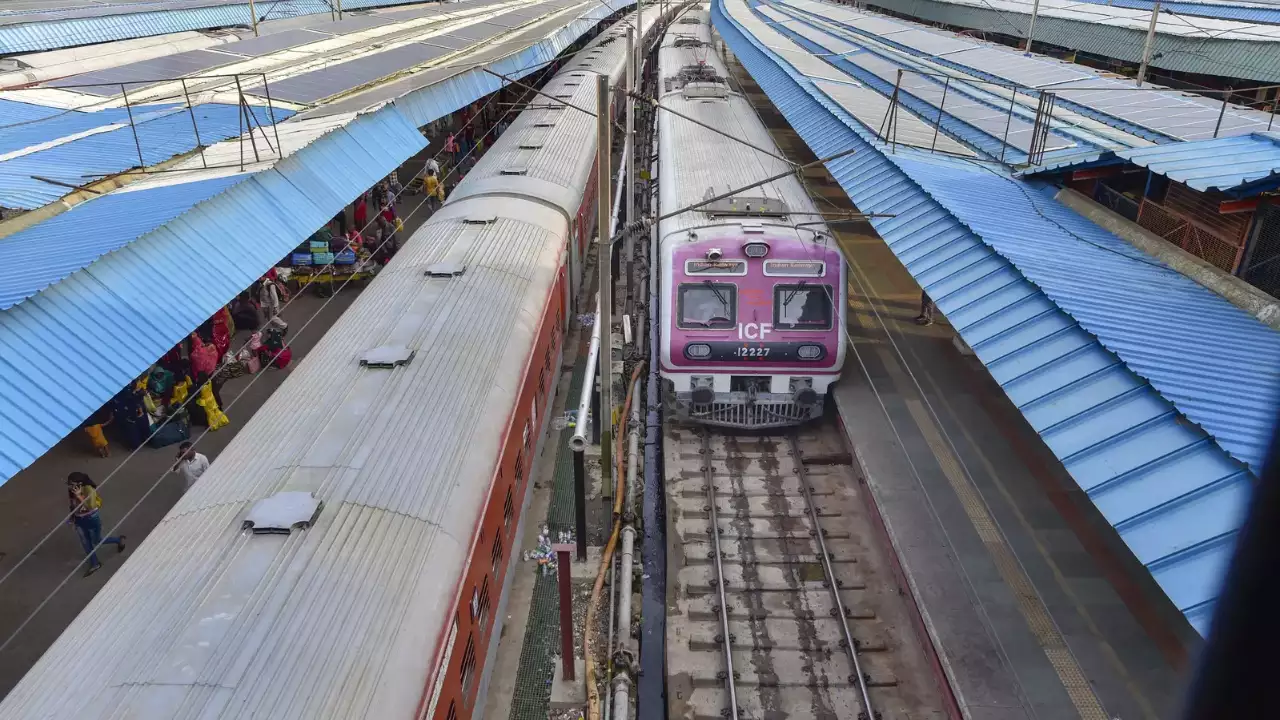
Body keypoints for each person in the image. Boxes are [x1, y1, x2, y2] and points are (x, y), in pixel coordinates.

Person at [67, 472, 125, 576]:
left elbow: (91, 506)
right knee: (86, 543)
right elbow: (72, 505)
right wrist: (72, 517)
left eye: (72, 484)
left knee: (97, 540)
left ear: (80, 483)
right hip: (79, 519)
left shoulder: (89, 489)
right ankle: (95, 563)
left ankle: (118, 540)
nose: (70, 486)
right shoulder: (72, 490)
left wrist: (79, 496)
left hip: (91, 518)